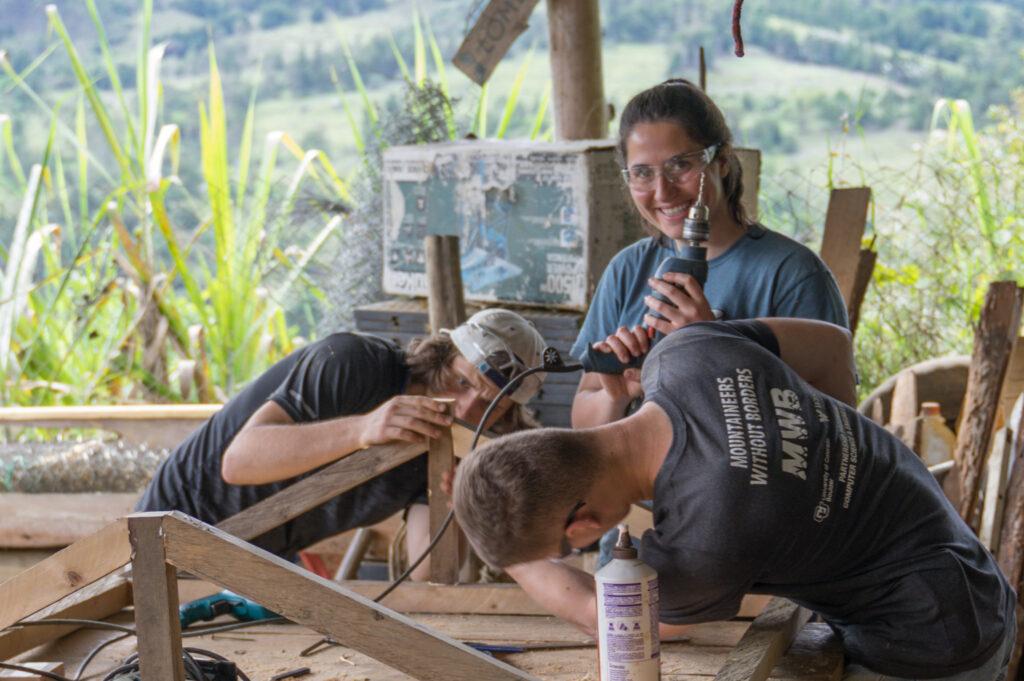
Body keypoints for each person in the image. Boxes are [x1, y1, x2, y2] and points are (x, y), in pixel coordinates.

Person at [455, 318, 1016, 680]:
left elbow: (605, 617)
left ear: (581, 526)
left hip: (934, 642)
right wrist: (816, 455)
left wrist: (512, 558)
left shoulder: (707, 538)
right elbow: (831, 344)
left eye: (557, 547)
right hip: (967, 572)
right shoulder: (685, 353)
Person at [137, 308, 547, 579]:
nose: (464, 408)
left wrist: (461, 499)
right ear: (444, 354)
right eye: (461, 382)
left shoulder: (453, 443)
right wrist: (362, 430)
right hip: (174, 527)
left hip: (255, 560)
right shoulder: (352, 362)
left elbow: (429, 574)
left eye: (490, 404)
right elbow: (240, 461)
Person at [572, 78, 848, 429]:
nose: (662, 191)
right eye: (642, 173)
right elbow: (582, 419)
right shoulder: (627, 269)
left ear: (722, 162)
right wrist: (618, 394)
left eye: (680, 166)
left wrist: (711, 346)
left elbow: (834, 430)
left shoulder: (792, 274)